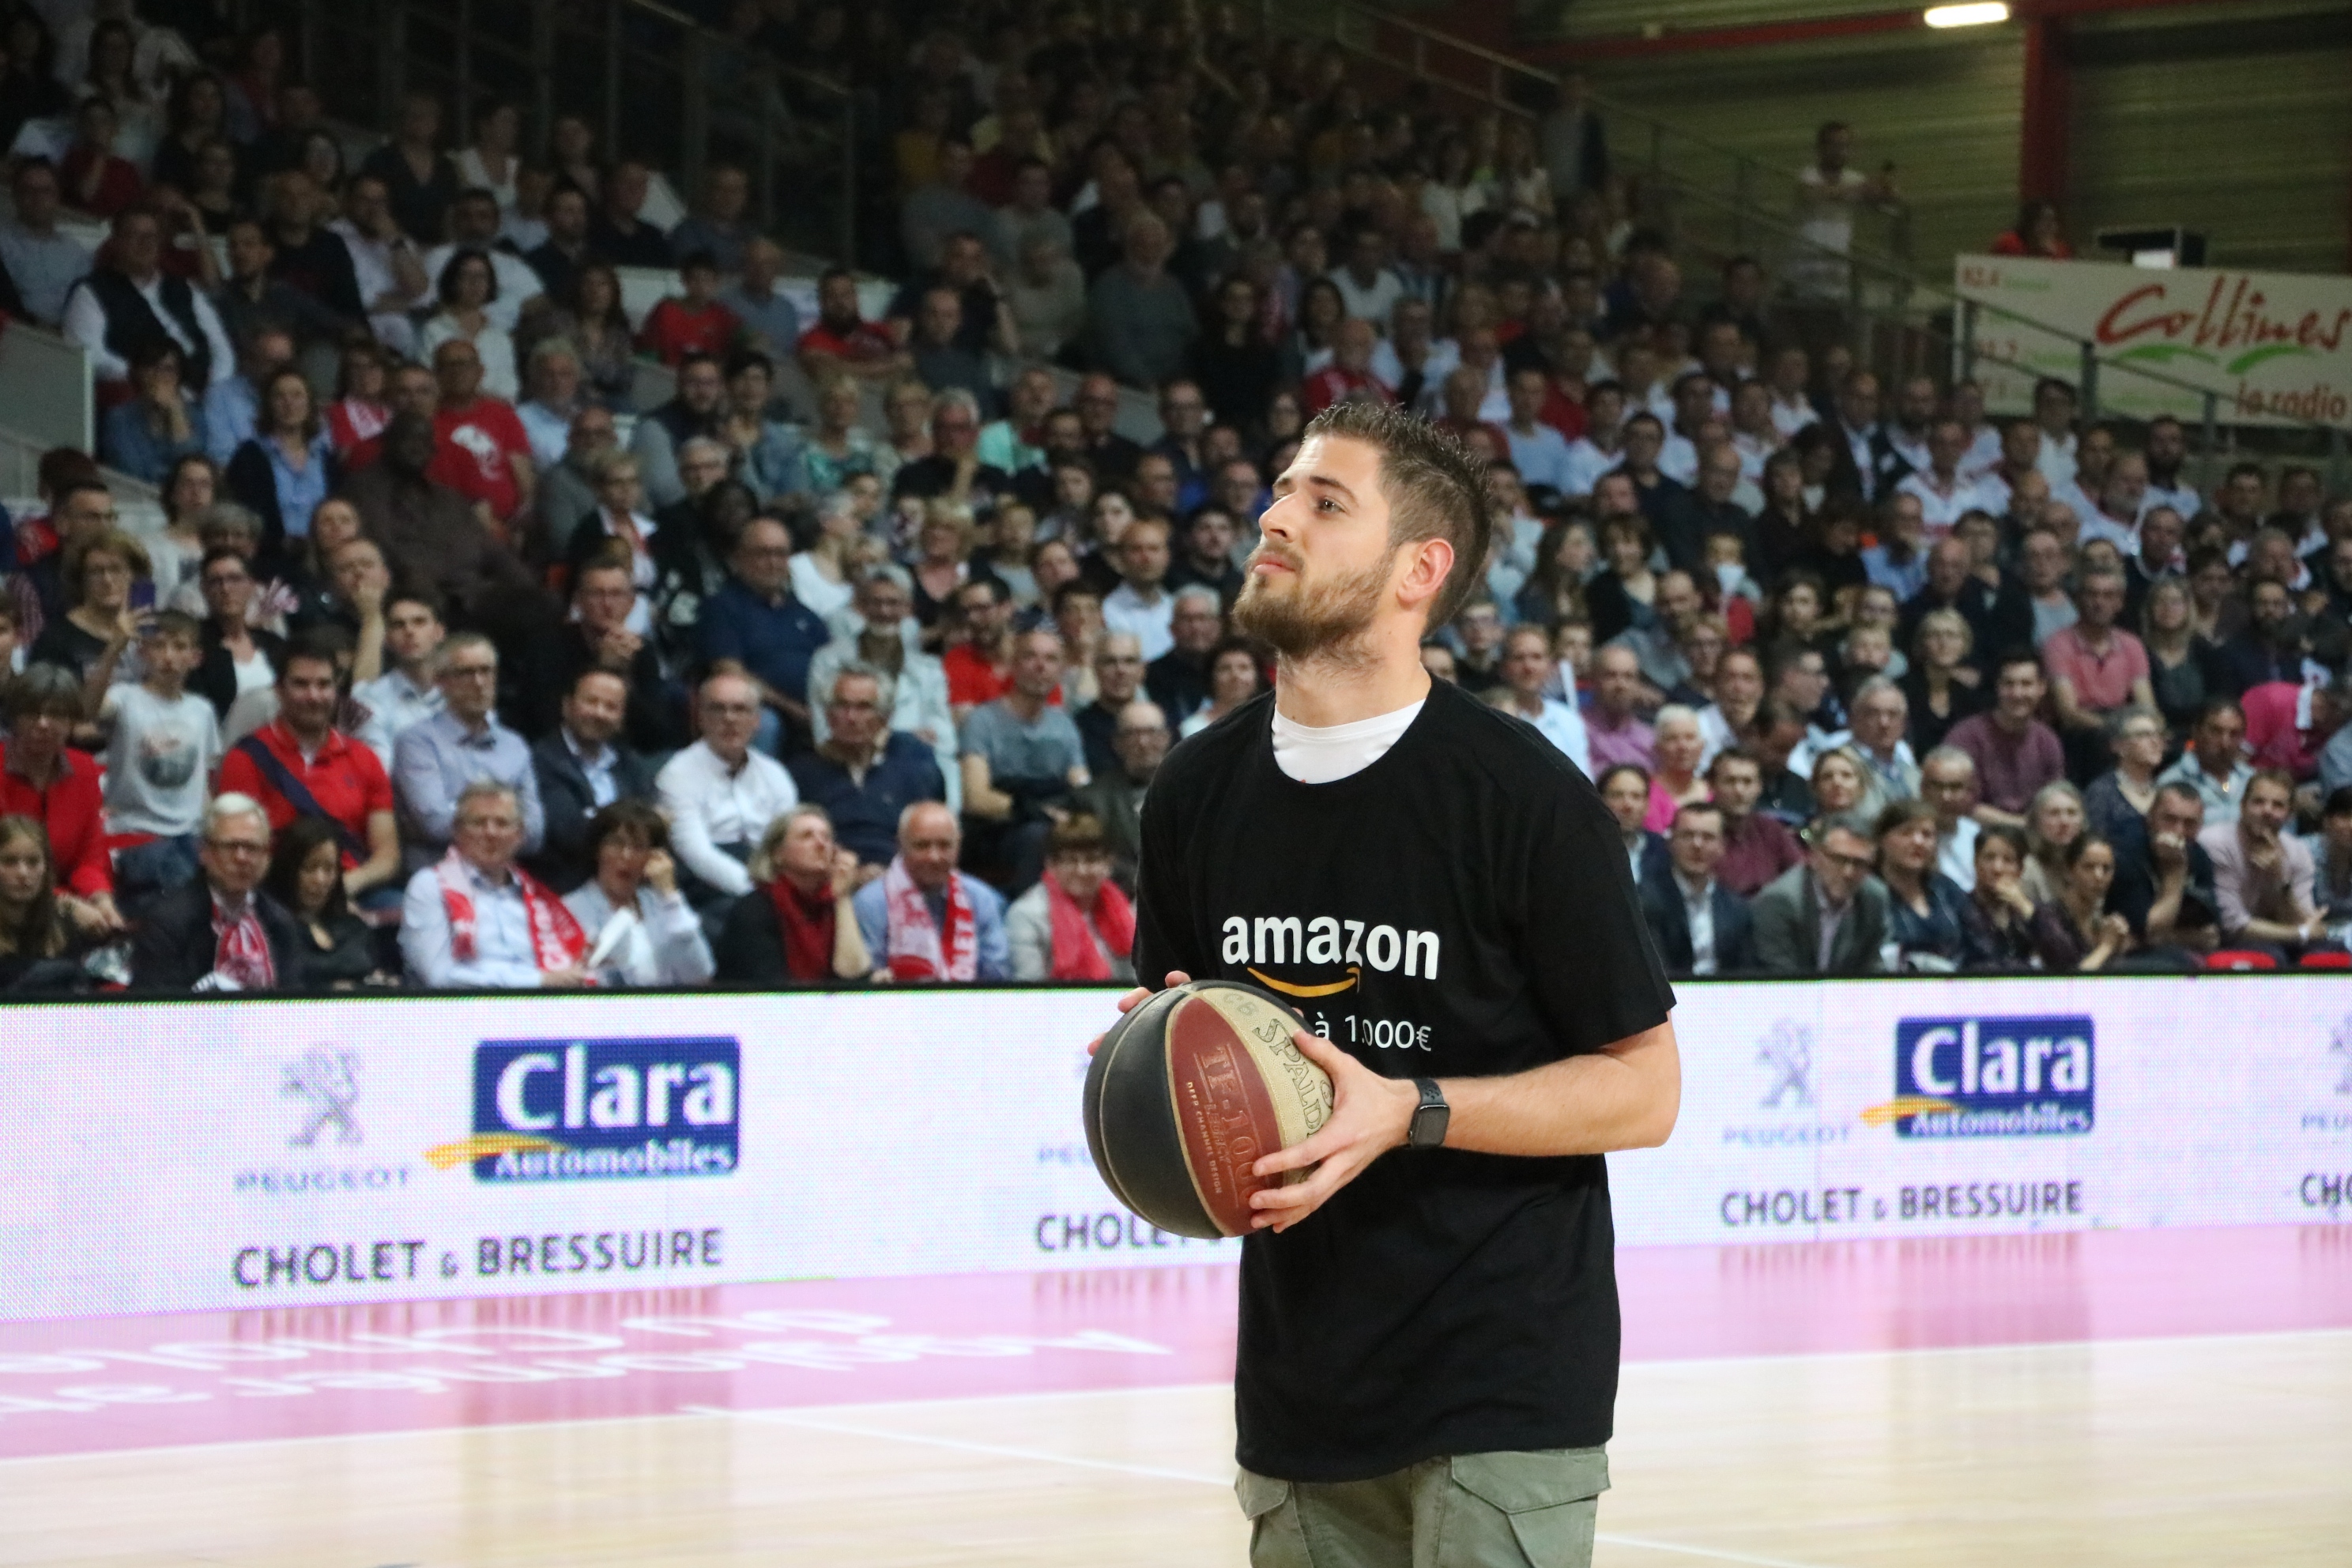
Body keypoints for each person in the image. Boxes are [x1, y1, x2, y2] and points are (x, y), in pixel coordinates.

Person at [1110, 399, 1675, 1557]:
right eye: (1279, 492)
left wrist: (1410, 1110)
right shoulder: (1194, 794)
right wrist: (1164, 1077)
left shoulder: (1522, 797)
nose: (1276, 518)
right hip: (1301, 1380)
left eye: (1325, 503)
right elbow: (1195, 1042)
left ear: (1421, 568)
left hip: (1502, 1372)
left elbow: (1645, 1092)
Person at [218, 639, 402, 903]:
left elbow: (387, 855)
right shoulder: (245, 758)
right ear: (279, 690)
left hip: (352, 886)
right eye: (301, 684)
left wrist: (342, 887)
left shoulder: (364, 758)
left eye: (324, 685)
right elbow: (238, 850)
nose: (314, 696)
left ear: (337, 689)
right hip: (276, 894)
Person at [400, 779, 590, 989]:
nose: (491, 833)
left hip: (541, 1011)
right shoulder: (430, 886)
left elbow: (565, 965)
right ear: (457, 831)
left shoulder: (538, 897)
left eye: (502, 823)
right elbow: (438, 976)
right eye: (479, 822)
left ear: (520, 835)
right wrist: (537, 981)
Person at [96, 609, 220, 913]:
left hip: (190, 835)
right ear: (143, 652)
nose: (168, 656)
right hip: (137, 832)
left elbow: (206, 779)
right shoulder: (124, 697)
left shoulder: (201, 710)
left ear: (195, 657)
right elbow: (88, 709)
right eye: (159, 646)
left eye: (179, 647)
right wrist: (114, 647)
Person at [656, 670, 799, 914]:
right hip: (707, 886)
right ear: (699, 718)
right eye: (717, 709)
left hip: (768, 872)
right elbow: (696, 853)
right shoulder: (677, 774)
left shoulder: (775, 774)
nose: (729, 719)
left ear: (757, 720)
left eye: (740, 709)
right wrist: (759, 892)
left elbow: (788, 841)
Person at [393, 631, 542, 863]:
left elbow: (535, 832)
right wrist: (507, 822)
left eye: (486, 671)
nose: (479, 682)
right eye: (466, 673)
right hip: (439, 877)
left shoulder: (515, 746)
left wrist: (463, 814)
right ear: (441, 682)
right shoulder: (417, 742)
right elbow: (434, 823)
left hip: (503, 881)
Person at [961, 627, 1089, 895]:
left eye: (1051, 659)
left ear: (1061, 670)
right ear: (1013, 665)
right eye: (1031, 657)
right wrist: (1034, 810)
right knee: (1038, 836)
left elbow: (1080, 786)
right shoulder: (982, 721)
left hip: (1053, 820)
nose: (1041, 666)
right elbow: (976, 798)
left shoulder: (1064, 724)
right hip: (999, 829)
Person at [129, 791, 299, 991]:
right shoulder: (167, 923)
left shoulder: (280, 923)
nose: (242, 858)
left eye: (252, 847)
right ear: (204, 852)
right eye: (231, 846)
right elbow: (156, 1008)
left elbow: (294, 1001)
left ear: (266, 857)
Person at [788, 664, 948, 870]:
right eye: (842, 706)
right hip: (829, 878)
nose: (851, 717)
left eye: (864, 707)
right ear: (828, 715)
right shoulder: (802, 771)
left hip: (906, 875)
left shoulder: (915, 761)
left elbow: (935, 834)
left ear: (886, 716)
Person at [1, 665, 120, 934]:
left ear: (71, 722)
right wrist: (65, 906)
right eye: (32, 713)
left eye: (55, 714)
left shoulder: (84, 769)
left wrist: (101, 900)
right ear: (15, 718)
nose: (43, 723)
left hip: (67, 908)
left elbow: (90, 857)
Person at [699, 517, 835, 748]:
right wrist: (794, 710)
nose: (773, 563)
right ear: (739, 558)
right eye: (763, 554)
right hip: (760, 711)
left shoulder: (806, 616)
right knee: (766, 723)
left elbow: (833, 668)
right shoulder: (722, 608)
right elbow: (731, 673)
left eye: (781, 554)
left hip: (813, 712)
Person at [560, 798, 714, 988]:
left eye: (639, 846)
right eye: (616, 843)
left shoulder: (663, 904)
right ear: (597, 849)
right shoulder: (568, 910)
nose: (626, 856)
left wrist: (670, 895)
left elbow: (700, 975)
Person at [713, 803, 873, 985]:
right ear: (778, 854)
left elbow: (856, 979)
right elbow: (770, 989)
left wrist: (843, 899)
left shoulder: (834, 904)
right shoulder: (754, 910)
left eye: (826, 837)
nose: (821, 844)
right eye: (807, 836)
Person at [851, 799, 1010, 982]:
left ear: (958, 846)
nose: (934, 857)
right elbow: (866, 975)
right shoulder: (871, 902)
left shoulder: (982, 899)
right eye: (922, 846)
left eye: (944, 845)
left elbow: (997, 974)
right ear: (900, 846)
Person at [529, 666, 657, 893]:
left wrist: (594, 817)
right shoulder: (542, 761)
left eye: (611, 707)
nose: (599, 713)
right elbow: (570, 834)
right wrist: (628, 832)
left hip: (631, 886)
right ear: (567, 706)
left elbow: (651, 826)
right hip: (567, 887)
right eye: (591, 702)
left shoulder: (631, 764)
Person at [2203, 768, 2328, 958]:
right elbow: (2232, 925)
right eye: (2258, 802)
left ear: (2290, 814)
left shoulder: (2298, 851)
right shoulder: (2216, 843)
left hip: (2273, 935)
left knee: (2328, 953)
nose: (2267, 811)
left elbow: (2304, 921)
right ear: (2243, 806)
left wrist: (2281, 882)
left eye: (2278, 805)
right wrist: (2300, 933)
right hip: (2223, 940)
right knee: (2272, 955)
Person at [1751, 812, 1889, 974]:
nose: (1848, 872)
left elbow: (1872, 967)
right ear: (1814, 856)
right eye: (1839, 859)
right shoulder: (1780, 901)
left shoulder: (1873, 898)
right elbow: (1780, 975)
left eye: (1860, 863)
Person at [1004, 812, 1134, 982]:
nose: (1082, 871)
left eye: (1092, 860)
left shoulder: (1128, 910)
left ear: (1109, 863)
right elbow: (1029, 987)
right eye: (1071, 861)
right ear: (1050, 865)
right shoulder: (1025, 915)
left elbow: (1138, 978)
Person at [1944, 653, 2065, 827]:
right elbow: (1959, 804)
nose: (2017, 693)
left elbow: (2054, 799)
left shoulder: (2047, 740)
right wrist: (2021, 825)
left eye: (2026, 684)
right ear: (1997, 687)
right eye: (2009, 684)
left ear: (2041, 688)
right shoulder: (1965, 737)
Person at [1639, 800, 1754, 976]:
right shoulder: (1644, 901)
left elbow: (1746, 973)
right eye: (1688, 835)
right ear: (1671, 842)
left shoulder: (1737, 908)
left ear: (1722, 846)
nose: (1697, 845)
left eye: (1708, 837)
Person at [260, 814, 376, 987]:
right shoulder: (269, 930)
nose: (320, 879)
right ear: (288, 870)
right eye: (310, 868)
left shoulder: (354, 928)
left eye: (329, 869)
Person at [1074, 699, 1166, 890]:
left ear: (1165, 738)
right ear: (1117, 743)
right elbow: (1097, 858)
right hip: (1125, 895)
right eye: (1132, 734)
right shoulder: (1091, 799)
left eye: (1151, 732)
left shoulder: (1195, 791)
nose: (1143, 742)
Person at [1875, 797, 1969, 971]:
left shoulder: (1946, 888)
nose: (1918, 842)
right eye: (1906, 833)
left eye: (1927, 835)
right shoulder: (1870, 894)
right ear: (1882, 839)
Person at [1491, 624, 1591, 773]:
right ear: (1504, 667)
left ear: (1550, 665)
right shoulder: (1492, 717)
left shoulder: (1568, 720)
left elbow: (1584, 781)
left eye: (1537, 657)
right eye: (1519, 658)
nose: (1529, 667)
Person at [2158, 698, 2255, 829]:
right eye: (2216, 732)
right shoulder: (2171, 782)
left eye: (2234, 734)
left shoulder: (2252, 780)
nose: (2225, 743)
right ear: (2196, 731)